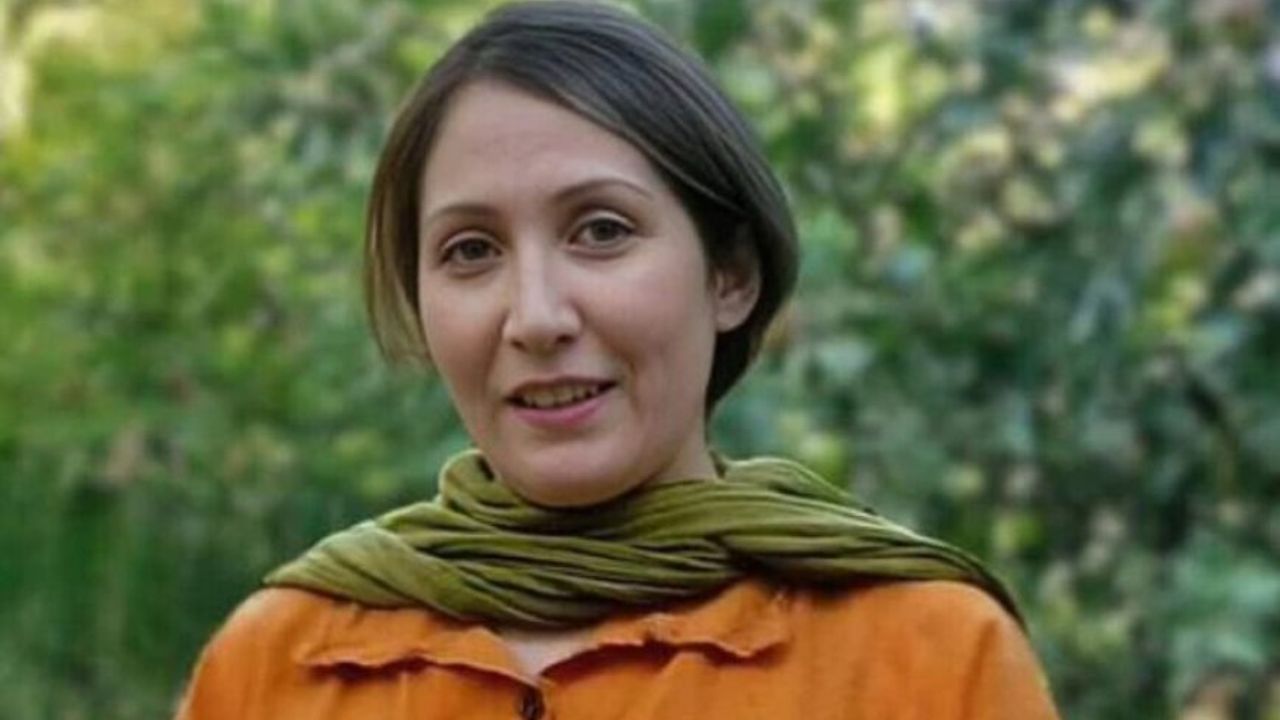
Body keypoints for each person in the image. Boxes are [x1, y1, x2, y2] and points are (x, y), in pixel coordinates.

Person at [175, 2, 1061, 718]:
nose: (536, 318)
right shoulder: (280, 664)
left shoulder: (928, 657)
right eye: (471, 251)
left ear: (730, 275)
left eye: (601, 231)